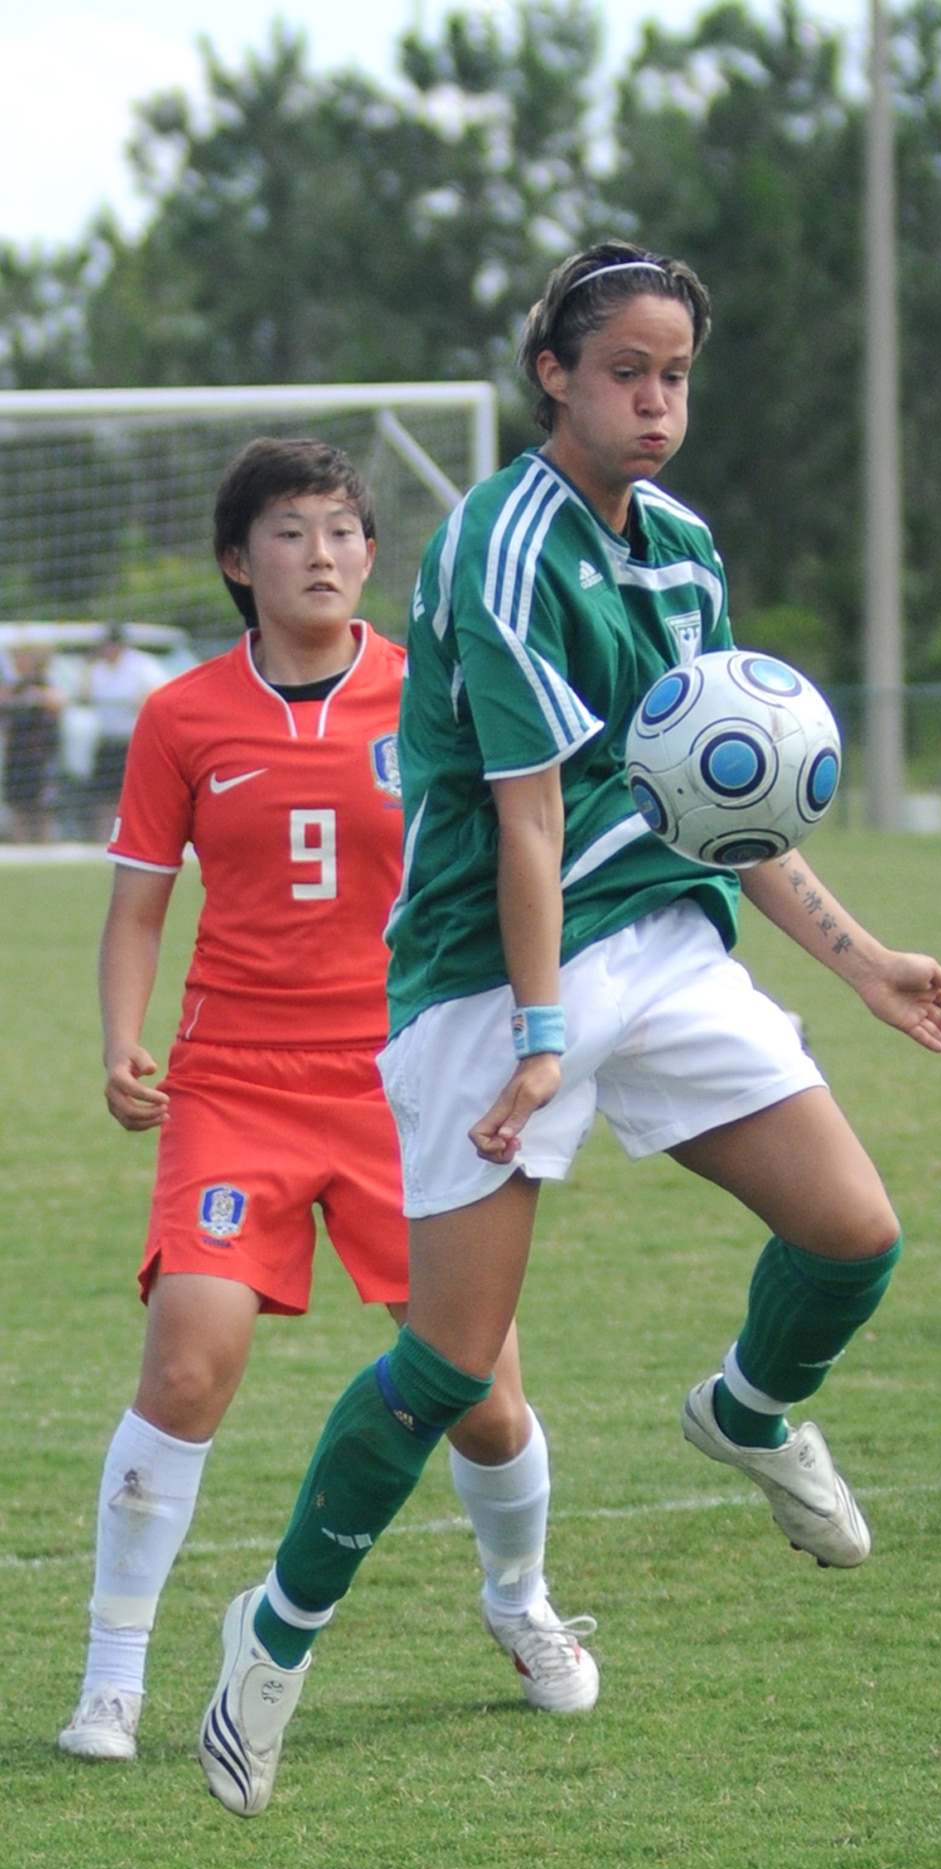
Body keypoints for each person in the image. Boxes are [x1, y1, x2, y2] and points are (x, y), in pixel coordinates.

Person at [196, 242, 941, 1818]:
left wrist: (863, 957)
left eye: (676, 373)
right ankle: (269, 1639)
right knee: (450, 1362)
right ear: (553, 371)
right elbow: (531, 818)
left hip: (660, 942)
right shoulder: (500, 540)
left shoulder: (684, 547)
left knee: (853, 1235)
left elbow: (723, 793)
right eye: (626, 369)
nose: (655, 399)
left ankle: (748, 1409)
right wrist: (542, 1037)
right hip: (490, 975)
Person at [58, 437, 595, 1768]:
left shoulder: (440, 701)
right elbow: (137, 908)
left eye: (346, 531)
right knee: (190, 1360)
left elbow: (530, 856)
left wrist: (529, 1037)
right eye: (292, 533)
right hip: (235, 1084)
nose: (325, 554)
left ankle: (523, 1606)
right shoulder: (182, 716)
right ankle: (112, 1679)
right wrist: (123, 1043)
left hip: (414, 1086)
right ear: (240, 563)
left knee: (479, 1392)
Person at [83, 626, 167, 840]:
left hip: (133, 740)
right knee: (104, 796)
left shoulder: (141, 665)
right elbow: (86, 695)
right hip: (107, 739)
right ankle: (103, 838)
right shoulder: (98, 670)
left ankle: (135, 838)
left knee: (135, 794)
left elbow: (158, 691)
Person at [0, 643, 64, 842]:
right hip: (17, 756)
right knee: (18, 807)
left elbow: (57, 704)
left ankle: (45, 846)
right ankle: (22, 846)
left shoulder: (44, 684)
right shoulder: (15, 688)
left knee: (42, 808)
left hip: (40, 757)